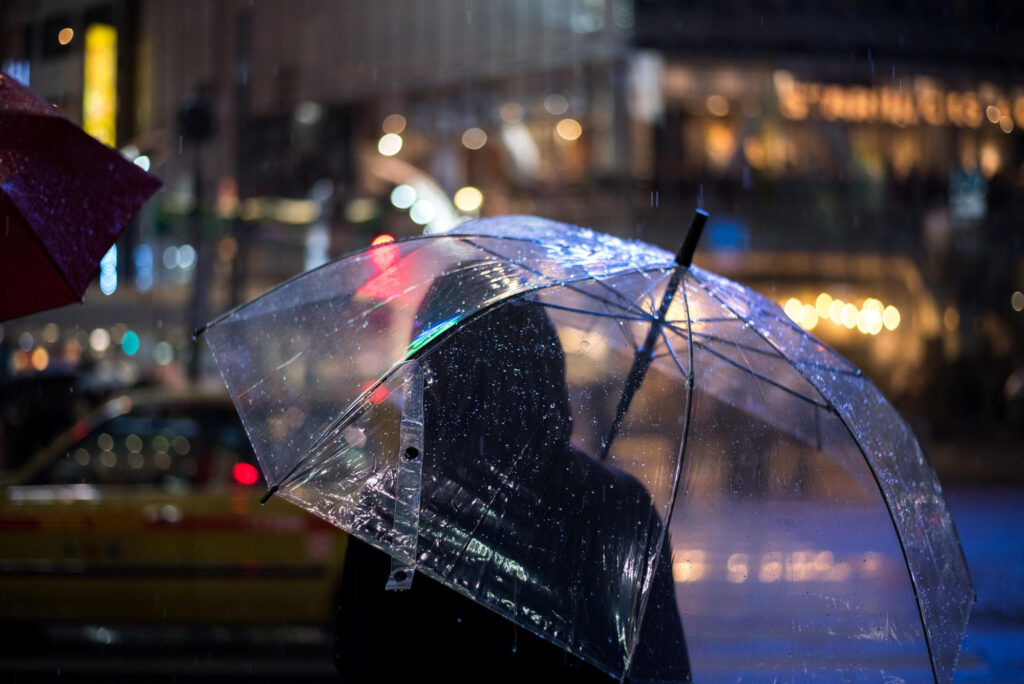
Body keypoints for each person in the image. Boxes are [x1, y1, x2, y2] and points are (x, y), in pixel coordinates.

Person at [335, 266, 689, 682]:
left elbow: (360, 660)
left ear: (434, 374)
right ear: (547, 368)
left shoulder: (394, 507)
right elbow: (661, 666)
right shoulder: (615, 504)